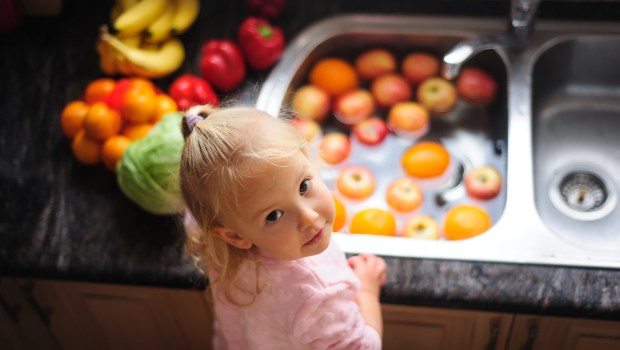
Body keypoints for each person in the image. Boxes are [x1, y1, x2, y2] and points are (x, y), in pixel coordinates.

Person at [179, 104, 387, 349]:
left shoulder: (213, 228)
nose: (309, 217)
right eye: (274, 216)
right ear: (234, 236)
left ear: (306, 157)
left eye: (303, 186)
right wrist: (368, 291)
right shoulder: (319, 295)